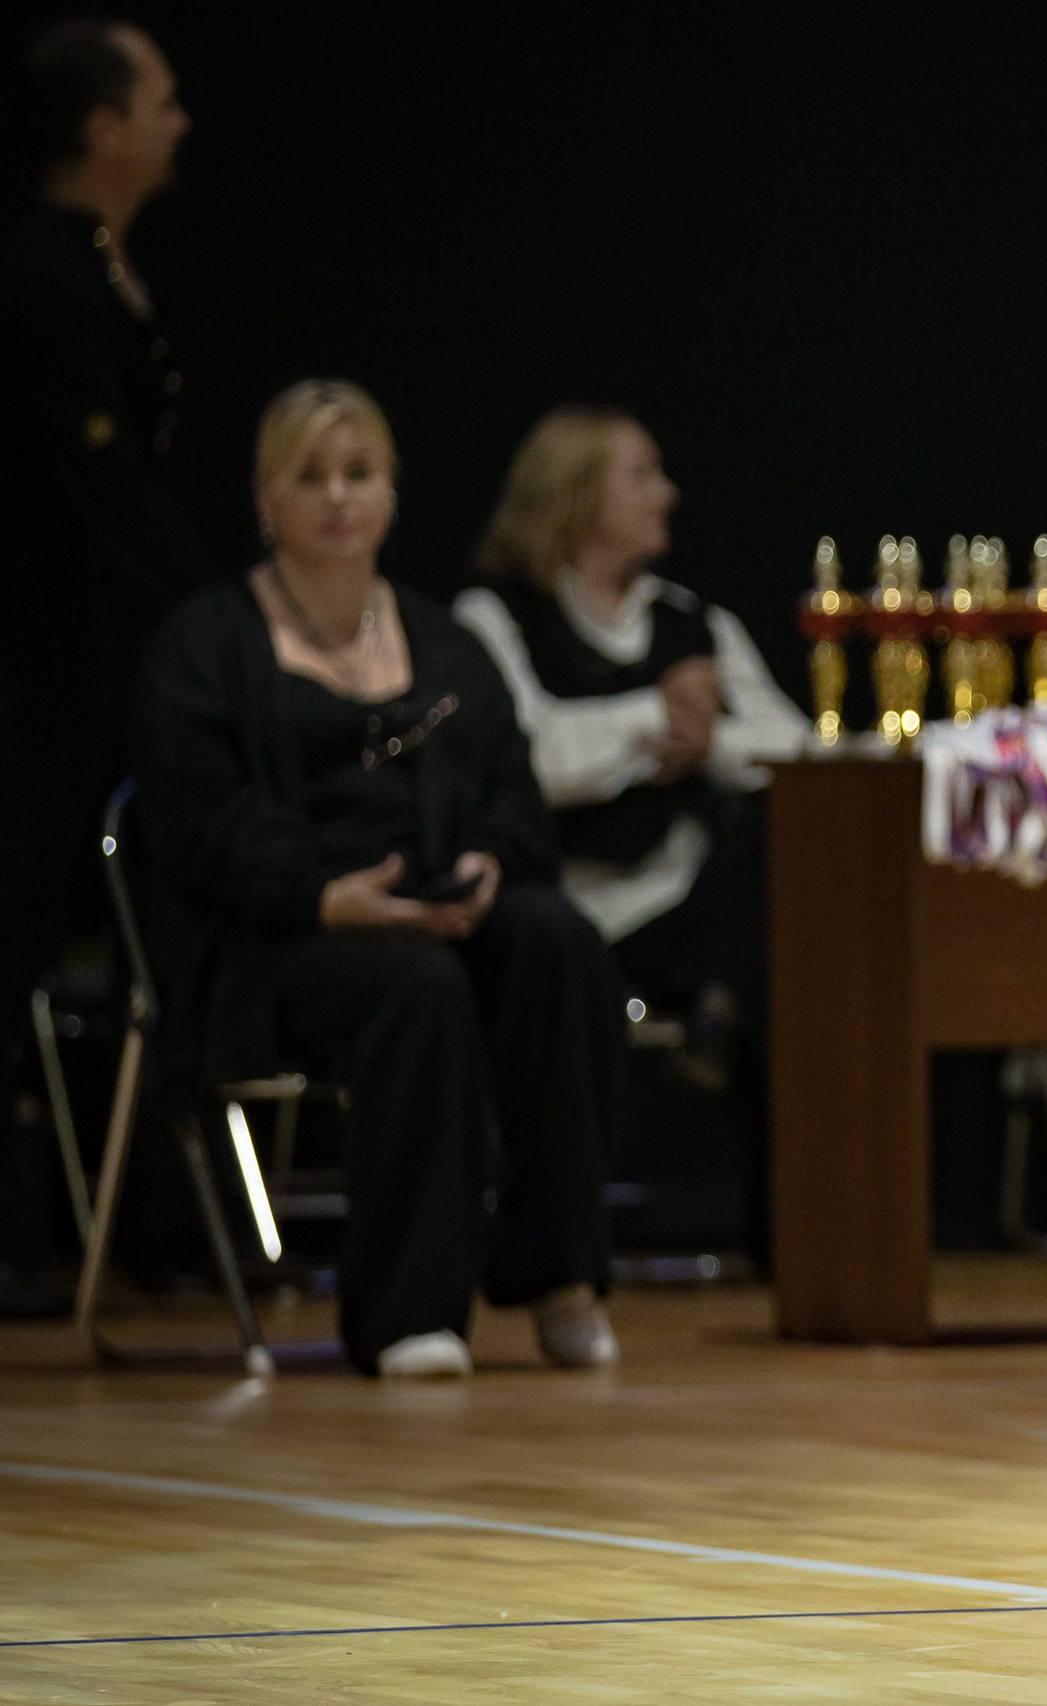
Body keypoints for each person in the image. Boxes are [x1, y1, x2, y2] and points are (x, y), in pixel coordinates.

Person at [131, 380, 626, 1378]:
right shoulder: (208, 644)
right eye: (309, 476)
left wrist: (486, 862)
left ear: (392, 495)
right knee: (415, 984)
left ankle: (558, 1269)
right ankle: (410, 1311)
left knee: (553, 940)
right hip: (281, 937)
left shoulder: (446, 645)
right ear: (266, 500)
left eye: (358, 474)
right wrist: (328, 896)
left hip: (431, 909)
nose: (337, 498)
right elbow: (195, 822)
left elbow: (511, 791)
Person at [453, 408, 805, 1257]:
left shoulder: (691, 622)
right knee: (775, 946)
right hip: (581, 910)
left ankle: (799, 1231)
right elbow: (526, 754)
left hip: (690, 906)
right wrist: (654, 718)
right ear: (575, 497)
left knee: (790, 845)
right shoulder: (495, 618)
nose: (667, 493)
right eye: (642, 475)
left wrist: (709, 740)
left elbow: (798, 750)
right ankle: (722, 1014)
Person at [1, 16, 202, 1152]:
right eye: (161, 102)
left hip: (108, 653)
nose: (180, 123)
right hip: (44, 663)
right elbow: (99, 495)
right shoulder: (41, 280)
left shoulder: (105, 269)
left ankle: (154, 1209)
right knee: (28, 911)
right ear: (102, 128)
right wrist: (225, 617)